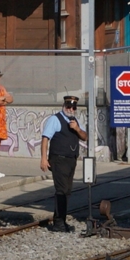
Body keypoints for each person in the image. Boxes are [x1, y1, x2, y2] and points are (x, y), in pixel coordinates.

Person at [39, 93, 87, 232]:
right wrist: (43, 158)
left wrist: (77, 129)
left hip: (71, 160)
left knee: (67, 191)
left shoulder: (76, 121)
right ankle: (58, 223)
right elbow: (45, 138)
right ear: (64, 106)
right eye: (68, 106)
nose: (71, 109)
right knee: (61, 190)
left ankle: (61, 220)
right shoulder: (55, 119)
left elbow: (85, 137)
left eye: (73, 107)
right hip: (58, 159)